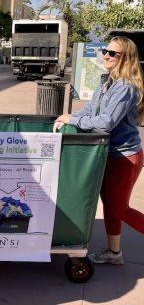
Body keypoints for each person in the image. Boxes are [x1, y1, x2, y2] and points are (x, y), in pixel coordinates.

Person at [54, 36, 144, 265]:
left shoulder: (125, 86)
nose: (106, 55)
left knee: (118, 207)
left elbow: (105, 122)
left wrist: (72, 119)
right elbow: (90, 110)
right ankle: (114, 254)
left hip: (125, 156)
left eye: (113, 53)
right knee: (111, 205)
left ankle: (114, 253)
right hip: (109, 153)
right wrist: (70, 119)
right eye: (106, 51)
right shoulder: (108, 81)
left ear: (127, 58)